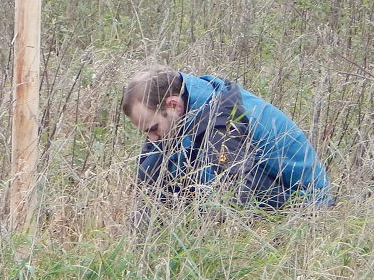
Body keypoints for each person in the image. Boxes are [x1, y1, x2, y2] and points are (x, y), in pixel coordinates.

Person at [121, 66, 333, 212]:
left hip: (302, 203)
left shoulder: (226, 123)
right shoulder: (189, 106)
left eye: (153, 128)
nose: (152, 138)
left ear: (173, 104)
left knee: (222, 190)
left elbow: (232, 195)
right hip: (255, 183)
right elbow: (149, 180)